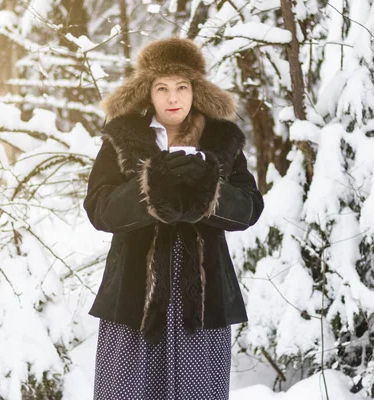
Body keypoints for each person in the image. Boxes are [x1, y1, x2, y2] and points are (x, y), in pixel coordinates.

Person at [83, 37, 265, 399]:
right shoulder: (123, 138)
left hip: (202, 300)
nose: (173, 98)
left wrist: (207, 185)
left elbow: (248, 208)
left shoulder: (222, 140)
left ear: (196, 89)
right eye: (162, 88)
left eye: (182, 87)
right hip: (134, 298)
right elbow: (99, 209)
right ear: (147, 92)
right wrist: (152, 185)